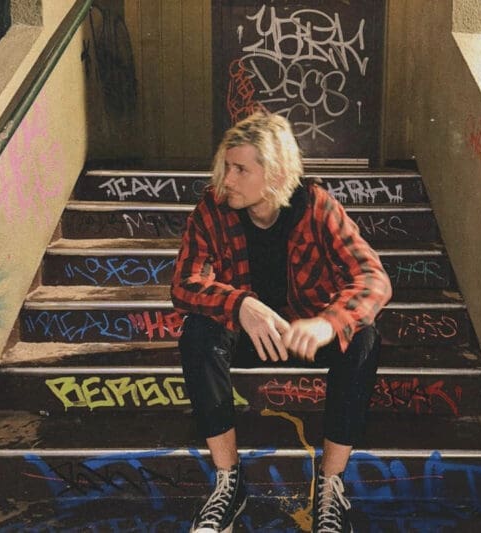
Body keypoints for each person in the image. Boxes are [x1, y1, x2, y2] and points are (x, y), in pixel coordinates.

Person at [171, 110, 392, 532]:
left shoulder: (316, 206)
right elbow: (184, 283)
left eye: (240, 169)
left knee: (363, 335)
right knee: (198, 330)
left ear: (273, 173)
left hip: (303, 335)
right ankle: (228, 482)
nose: (228, 179)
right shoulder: (212, 208)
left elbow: (372, 277)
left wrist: (329, 322)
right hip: (247, 337)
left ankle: (330, 487)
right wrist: (240, 305)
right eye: (226, 167)